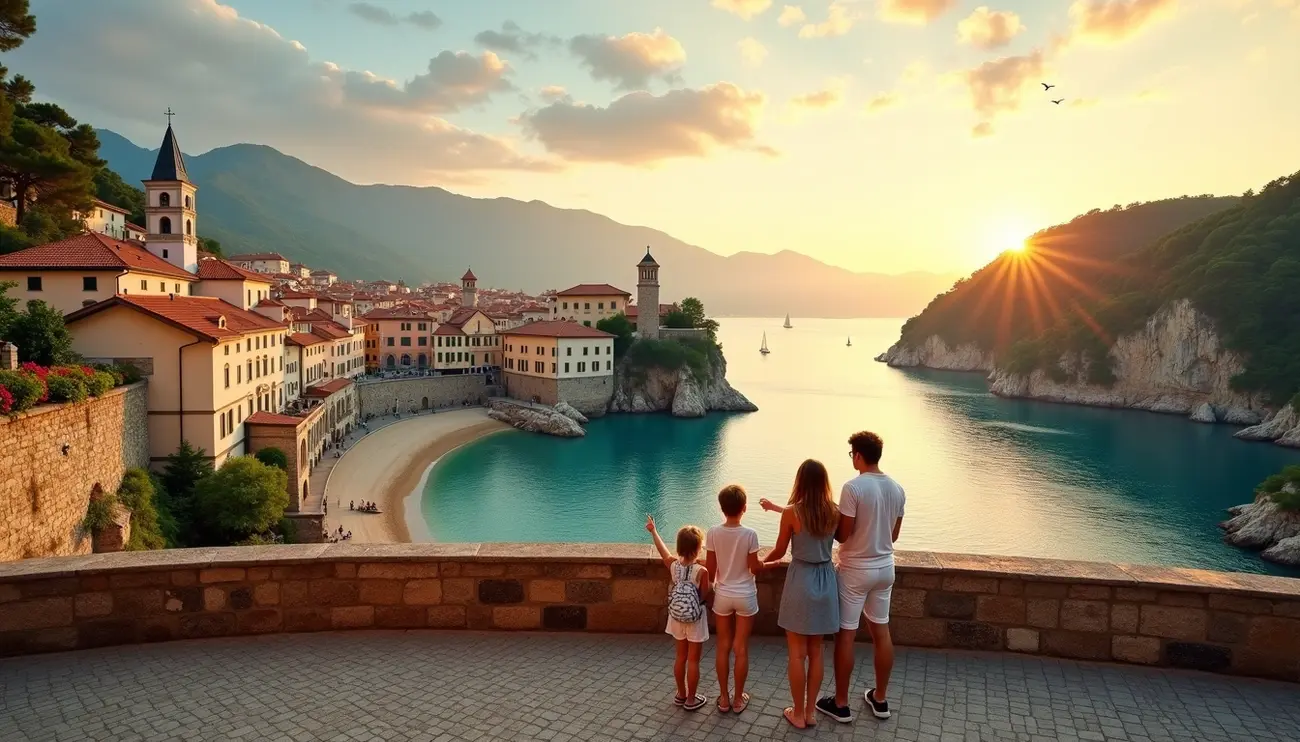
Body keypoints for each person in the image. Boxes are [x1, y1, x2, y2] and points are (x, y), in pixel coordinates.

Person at [816, 431, 906, 723]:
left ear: (858, 455)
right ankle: (880, 699)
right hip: (885, 569)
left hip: (856, 570)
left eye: (851, 453)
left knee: (846, 635)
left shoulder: (852, 488)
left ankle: (840, 704)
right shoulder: (897, 489)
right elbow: (893, 535)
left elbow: (844, 534)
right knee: (882, 632)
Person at [759, 460, 841, 730]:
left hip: (801, 580)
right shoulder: (834, 512)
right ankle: (810, 713)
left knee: (797, 654)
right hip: (826, 581)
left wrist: (758, 564)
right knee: (816, 652)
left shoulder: (793, 513)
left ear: (800, 481)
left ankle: (796, 713)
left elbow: (780, 551)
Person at [704, 485, 761, 714]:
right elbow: (754, 568)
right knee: (741, 648)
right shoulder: (750, 534)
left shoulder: (713, 533)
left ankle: (724, 699)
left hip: (723, 595)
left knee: (723, 647)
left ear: (721, 508)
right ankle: (739, 699)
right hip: (746, 595)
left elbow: (709, 569)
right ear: (744, 508)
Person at [646, 515, 711, 712]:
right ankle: (691, 700)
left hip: (676, 618)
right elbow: (705, 595)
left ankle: (680, 694)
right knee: (693, 660)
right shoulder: (701, 571)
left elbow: (662, 551)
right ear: (698, 547)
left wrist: (653, 531)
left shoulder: (673, 566)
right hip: (695, 619)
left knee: (680, 657)